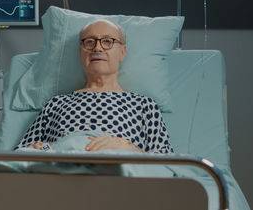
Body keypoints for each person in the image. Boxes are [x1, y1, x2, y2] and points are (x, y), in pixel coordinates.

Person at [16, 19, 173, 154]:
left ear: (122, 52)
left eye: (107, 41)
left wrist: (127, 148)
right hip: (63, 170)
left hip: (117, 172)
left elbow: (166, 161)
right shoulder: (56, 104)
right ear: (80, 52)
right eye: (89, 42)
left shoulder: (144, 105)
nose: (97, 48)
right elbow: (21, 155)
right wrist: (42, 148)